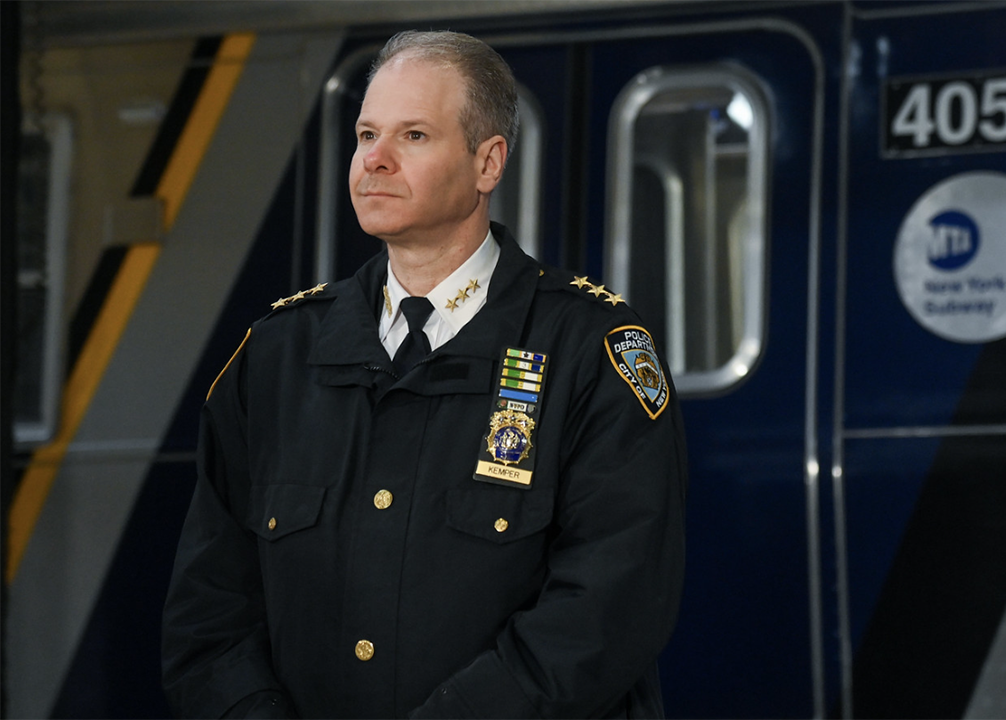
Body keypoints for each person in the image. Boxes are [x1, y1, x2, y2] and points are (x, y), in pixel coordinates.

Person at [162, 30, 687, 719]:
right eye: (365, 134)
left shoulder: (593, 350)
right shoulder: (276, 355)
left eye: (412, 136)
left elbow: (607, 610)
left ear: (487, 163)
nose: (373, 160)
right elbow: (210, 612)